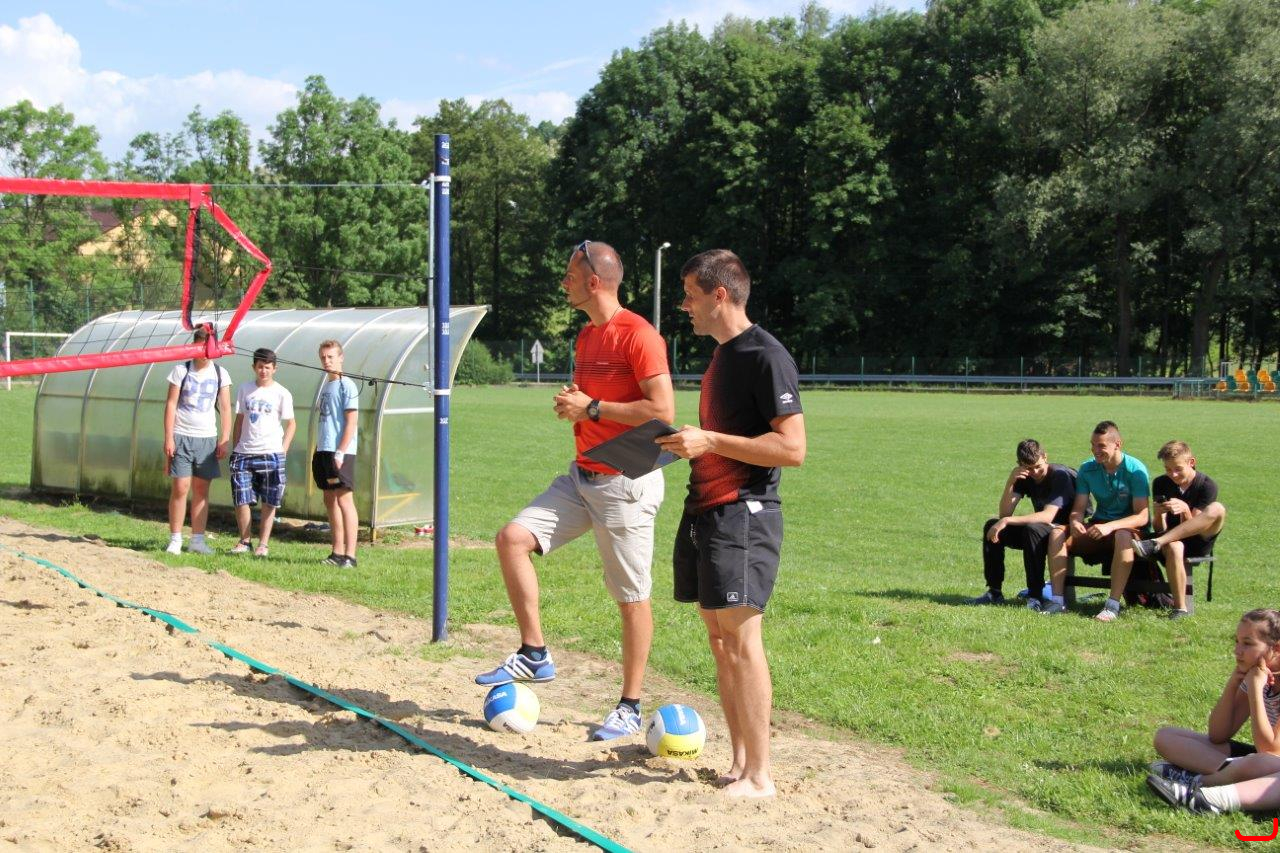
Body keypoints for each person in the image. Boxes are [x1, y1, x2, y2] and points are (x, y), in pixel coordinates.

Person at [475, 240, 674, 743]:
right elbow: (593, 403)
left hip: (626, 483)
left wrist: (592, 408)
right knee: (512, 538)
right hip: (582, 476)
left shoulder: (639, 335)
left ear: (594, 281)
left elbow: (662, 411)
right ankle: (535, 653)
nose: (562, 282)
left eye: (569, 275)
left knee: (631, 597)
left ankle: (630, 706)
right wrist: (576, 405)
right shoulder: (587, 336)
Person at [655, 249, 806, 799]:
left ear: (720, 295)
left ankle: (760, 776)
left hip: (745, 513)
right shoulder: (722, 355)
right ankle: (741, 762)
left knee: (741, 642)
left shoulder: (766, 355)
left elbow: (792, 449)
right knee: (720, 642)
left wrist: (711, 441)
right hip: (706, 509)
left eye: (690, 295)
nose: (684, 306)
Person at [1147, 608, 1280, 814]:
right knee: (1166, 736)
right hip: (1260, 761)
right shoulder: (1257, 674)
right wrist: (1233, 684)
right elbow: (1218, 735)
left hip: (1271, 762)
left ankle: (1197, 781)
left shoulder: (1257, 679)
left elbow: (1269, 750)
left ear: (1276, 648)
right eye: (1236, 641)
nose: (1237, 651)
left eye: (1247, 643)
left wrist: (1255, 687)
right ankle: (1225, 774)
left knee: (1260, 762)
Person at [1044, 420, 1150, 621]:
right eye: (1093, 445)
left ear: (1118, 444)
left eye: (1101, 446)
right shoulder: (1087, 469)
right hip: (1099, 526)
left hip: (1128, 529)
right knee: (1057, 532)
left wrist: (1109, 527)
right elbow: (1078, 509)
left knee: (1122, 536)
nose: (1095, 451)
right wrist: (1075, 522)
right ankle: (1057, 601)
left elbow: (1142, 516)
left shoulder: (1135, 470)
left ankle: (1112, 606)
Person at [967, 439, 1077, 610]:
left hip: (1065, 529)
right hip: (1041, 529)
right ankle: (994, 592)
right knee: (992, 526)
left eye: (1038, 466)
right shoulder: (1024, 475)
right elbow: (1005, 513)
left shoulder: (1060, 476)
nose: (1035, 472)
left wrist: (1006, 521)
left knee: (1032, 530)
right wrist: (1011, 481)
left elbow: (1048, 516)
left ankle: (1035, 596)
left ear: (1045, 457)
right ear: (1020, 464)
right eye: (1029, 468)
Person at [1132, 440, 1226, 619]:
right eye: (1168, 469)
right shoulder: (1161, 482)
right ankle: (1180, 609)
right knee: (1175, 547)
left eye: (1178, 469)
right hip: (1170, 540)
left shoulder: (1207, 485)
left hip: (1198, 539)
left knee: (1218, 508)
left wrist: (1184, 510)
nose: (1173, 474)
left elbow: (1197, 527)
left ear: (1191, 462)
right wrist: (1158, 514)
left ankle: (1155, 543)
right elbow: (1160, 527)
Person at [161, 327, 232, 555]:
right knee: (180, 487)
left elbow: (225, 407)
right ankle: (175, 539)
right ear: (194, 345)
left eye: (208, 346)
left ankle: (197, 540)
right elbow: (171, 404)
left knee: (201, 490)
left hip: (207, 438)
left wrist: (225, 438)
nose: (204, 351)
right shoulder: (180, 370)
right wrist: (169, 437)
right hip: (182, 435)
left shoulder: (220, 373)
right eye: (201, 346)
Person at [229, 347, 295, 558]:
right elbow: (239, 419)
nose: (263, 371)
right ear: (254, 367)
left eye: (267, 367)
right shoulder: (245, 389)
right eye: (260, 367)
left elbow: (291, 424)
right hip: (244, 452)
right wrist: (235, 446)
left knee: (270, 500)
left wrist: (283, 450)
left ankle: (263, 545)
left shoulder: (282, 393)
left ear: (274, 369)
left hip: (271, 452)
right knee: (241, 498)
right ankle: (244, 541)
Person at [312, 339, 360, 569]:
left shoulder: (346, 385)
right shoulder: (326, 386)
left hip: (340, 451)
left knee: (344, 499)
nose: (327, 361)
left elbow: (351, 422)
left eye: (331, 357)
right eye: (323, 357)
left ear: (341, 357)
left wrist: (340, 452)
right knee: (329, 499)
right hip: (324, 449)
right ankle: (337, 552)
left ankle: (350, 556)